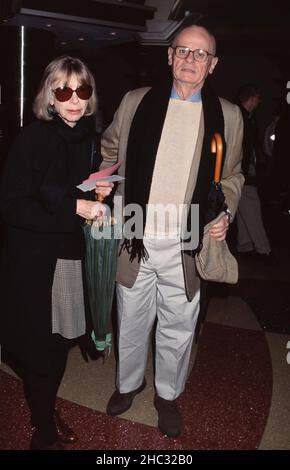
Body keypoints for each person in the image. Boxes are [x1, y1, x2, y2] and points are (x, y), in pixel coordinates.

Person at [101, 25, 244, 438]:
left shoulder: (228, 116)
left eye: (201, 55)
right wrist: (107, 188)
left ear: (213, 65)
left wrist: (226, 212)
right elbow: (110, 151)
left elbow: (233, 175)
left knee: (178, 325)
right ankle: (128, 384)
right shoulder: (136, 103)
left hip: (188, 242)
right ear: (169, 56)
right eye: (182, 50)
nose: (190, 60)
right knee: (130, 319)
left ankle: (167, 394)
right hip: (135, 235)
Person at [0, 56, 112, 450]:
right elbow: (11, 204)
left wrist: (99, 193)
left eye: (82, 90)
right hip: (35, 263)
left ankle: (45, 409)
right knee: (41, 347)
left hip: (70, 257)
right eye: (64, 91)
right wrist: (74, 207)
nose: (74, 99)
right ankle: (42, 424)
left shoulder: (87, 137)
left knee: (61, 341)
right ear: (50, 96)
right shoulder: (33, 138)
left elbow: (77, 188)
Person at [235, 84, 272, 259]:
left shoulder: (246, 117)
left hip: (243, 168)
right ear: (252, 98)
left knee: (244, 207)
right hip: (242, 168)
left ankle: (245, 245)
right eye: (258, 98)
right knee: (252, 207)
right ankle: (263, 249)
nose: (260, 101)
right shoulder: (240, 117)